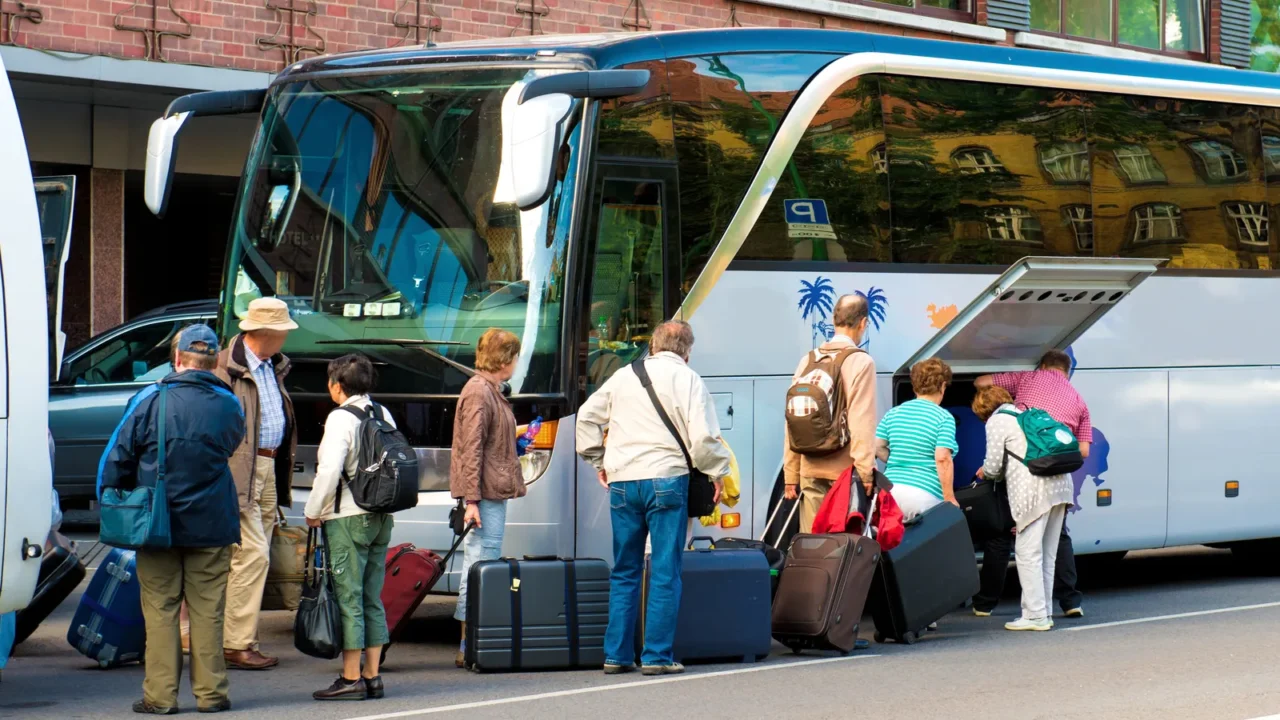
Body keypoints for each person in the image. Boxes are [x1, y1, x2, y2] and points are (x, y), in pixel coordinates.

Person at [99, 325, 245, 714]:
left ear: (176, 358)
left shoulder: (150, 398)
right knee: (208, 611)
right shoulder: (230, 404)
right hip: (213, 521)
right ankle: (212, 695)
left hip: (156, 522)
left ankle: (160, 698)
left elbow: (116, 458)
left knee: (161, 611)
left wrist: (112, 495)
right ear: (214, 363)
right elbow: (232, 445)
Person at [576, 320, 728, 676]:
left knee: (625, 570)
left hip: (623, 483)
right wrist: (716, 472)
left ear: (654, 345)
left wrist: (600, 460)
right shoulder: (689, 379)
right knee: (663, 570)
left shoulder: (624, 375)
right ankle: (656, 656)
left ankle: (616, 655)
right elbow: (704, 438)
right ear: (687, 352)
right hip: (666, 480)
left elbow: (586, 418)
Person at [213, 297, 299, 670]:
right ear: (266, 332)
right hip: (241, 471)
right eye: (283, 331)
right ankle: (235, 643)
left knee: (248, 556)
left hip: (266, 467)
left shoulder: (269, 365)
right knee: (252, 555)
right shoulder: (227, 368)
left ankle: (235, 636)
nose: (286, 338)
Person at [303, 354, 395, 701]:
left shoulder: (340, 418)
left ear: (337, 386)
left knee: (348, 597)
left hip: (347, 517)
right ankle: (373, 676)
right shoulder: (382, 413)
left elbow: (329, 471)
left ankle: (350, 676)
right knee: (373, 596)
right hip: (382, 516)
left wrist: (313, 511)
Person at [976, 349, 1091, 618]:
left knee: (1004, 535)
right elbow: (1083, 451)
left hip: (1026, 475)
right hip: (1059, 478)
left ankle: (988, 602)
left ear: (1042, 365)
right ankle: (1069, 601)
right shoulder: (1078, 399)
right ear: (1068, 369)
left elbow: (981, 382)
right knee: (1057, 541)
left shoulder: (1028, 378)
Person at [449, 328, 528, 668]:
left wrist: (516, 442)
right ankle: (470, 643)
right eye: (515, 356)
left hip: (488, 492)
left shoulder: (487, 390)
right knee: (481, 565)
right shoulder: (480, 392)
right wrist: (471, 501)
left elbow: (485, 443)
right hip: (484, 496)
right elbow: (471, 449)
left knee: (483, 563)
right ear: (505, 359)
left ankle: (474, 640)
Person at [971, 385, 1074, 631]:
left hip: (1034, 491)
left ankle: (1035, 615)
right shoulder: (1025, 414)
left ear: (984, 410)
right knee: (1047, 554)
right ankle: (1044, 610)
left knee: (1027, 553)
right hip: (1060, 485)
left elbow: (994, 466)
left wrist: (984, 472)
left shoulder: (997, 422)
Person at [783, 294, 878, 532]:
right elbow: (861, 422)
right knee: (840, 547)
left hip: (809, 468)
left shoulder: (808, 360)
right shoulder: (861, 362)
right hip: (843, 474)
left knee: (812, 543)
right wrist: (866, 472)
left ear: (834, 320)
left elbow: (792, 421)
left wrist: (791, 473)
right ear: (863, 323)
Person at [874, 358, 959, 521]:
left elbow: (877, 447)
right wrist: (949, 498)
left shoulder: (894, 413)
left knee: (895, 544)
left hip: (890, 492)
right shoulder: (943, 418)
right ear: (942, 386)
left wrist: (898, 459)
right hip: (923, 495)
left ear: (915, 387)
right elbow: (942, 458)